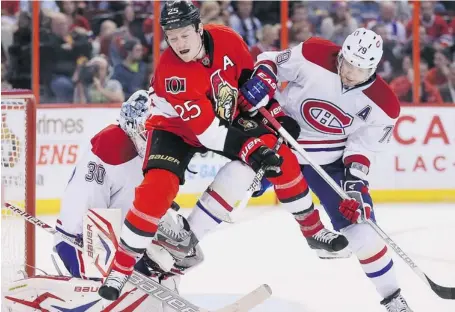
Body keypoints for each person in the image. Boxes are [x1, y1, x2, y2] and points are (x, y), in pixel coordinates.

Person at [99, 0, 348, 301]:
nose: (178, 43)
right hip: (174, 129)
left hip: (222, 114)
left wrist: (276, 114)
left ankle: (313, 231)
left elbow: (246, 87)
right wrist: (252, 147)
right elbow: (210, 134)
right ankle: (121, 268)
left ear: (199, 28)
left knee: (280, 155)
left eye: (184, 35)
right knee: (156, 190)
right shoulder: (173, 72)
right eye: (172, 37)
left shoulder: (228, 39)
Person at [249, 28, 412, 311]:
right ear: (342, 54)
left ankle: (393, 298)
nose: (349, 73)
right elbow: (272, 61)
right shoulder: (315, 53)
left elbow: (363, 146)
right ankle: (178, 249)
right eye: (347, 63)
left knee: (364, 231)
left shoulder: (385, 104)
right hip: (281, 142)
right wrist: (264, 79)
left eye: (359, 70)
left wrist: (355, 185)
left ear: (373, 68)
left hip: (329, 162)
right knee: (240, 187)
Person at [54, 91, 195, 293]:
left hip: (121, 243)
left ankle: (158, 295)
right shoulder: (111, 145)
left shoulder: (151, 152)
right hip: (82, 245)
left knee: (180, 247)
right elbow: (85, 217)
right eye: (153, 131)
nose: (159, 139)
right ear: (135, 126)